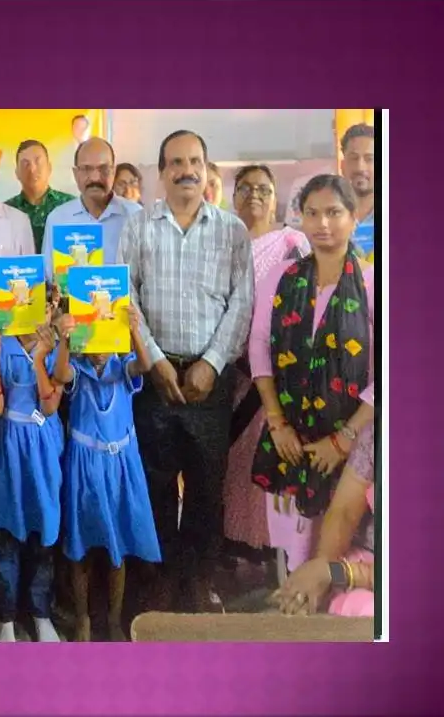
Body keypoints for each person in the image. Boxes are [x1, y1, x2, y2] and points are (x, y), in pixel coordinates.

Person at [118, 130, 254, 612]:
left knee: (205, 488)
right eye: (175, 162)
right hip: (154, 380)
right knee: (154, 485)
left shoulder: (231, 231)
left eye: (194, 161)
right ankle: (160, 581)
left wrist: (211, 364)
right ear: (161, 172)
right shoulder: (138, 228)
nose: (186, 170)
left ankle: (196, 582)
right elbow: (125, 297)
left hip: (209, 384)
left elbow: (242, 303)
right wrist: (154, 360)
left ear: (205, 167)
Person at [249, 174, 374, 573]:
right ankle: (292, 602)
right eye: (312, 213)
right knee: (291, 548)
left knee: (337, 549)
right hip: (289, 439)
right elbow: (259, 346)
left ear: (354, 218)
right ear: (300, 218)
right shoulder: (281, 277)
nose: (322, 223)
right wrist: (277, 423)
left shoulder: (375, 283)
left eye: (334, 213)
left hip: (354, 446)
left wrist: (344, 439)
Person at [51, 305, 161, 642]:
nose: (99, 351)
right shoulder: (78, 369)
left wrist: (134, 331)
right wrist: (66, 340)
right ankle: (83, 618)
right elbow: (60, 375)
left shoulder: (121, 366)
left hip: (120, 468)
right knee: (80, 548)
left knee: (118, 548)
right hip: (84, 468)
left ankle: (114, 618)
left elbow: (145, 365)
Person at [222, 165, 311, 557]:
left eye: (263, 188)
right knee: (236, 462)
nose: (254, 195)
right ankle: (237, 548)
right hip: (232, 375)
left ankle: (274, 554)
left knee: (272, 457)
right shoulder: (223, 245)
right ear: (233, 198)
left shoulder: (292, 243)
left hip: (277, 378)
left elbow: (306, 305)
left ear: (276, 199)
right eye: (245, 188)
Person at [0, 300, 64, 643]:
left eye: (42, 305)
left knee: (43, 537)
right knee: (6, 537)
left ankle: (41, 614)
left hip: (43, 448)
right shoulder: (2, 343)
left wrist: (44, 355)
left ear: (51, 309)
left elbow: (50, 405)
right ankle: (6, 619)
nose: (33, 313)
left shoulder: (56, 347)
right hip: (9, 447)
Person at [273, 422, 375, 618]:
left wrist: (334, 572)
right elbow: (344, 512)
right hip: (362, 563)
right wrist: (322, 570)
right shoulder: (378, 434)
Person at [41, 137, 142, 276]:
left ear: (113, 172)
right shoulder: (58, 219)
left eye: (104, 169)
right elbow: (48, 277)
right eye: (86, 169)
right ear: (75, 174)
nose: (95, 178)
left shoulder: (136, 216)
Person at [5, 140, 76, 253]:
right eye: (25, 164)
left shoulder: (71, 206)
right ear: (17, 173)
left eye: (38, 162)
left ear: (49, 167)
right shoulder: (6, 211)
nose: (32, 169)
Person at [339, 123, 375, 262]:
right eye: (354, 158)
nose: (360, 167)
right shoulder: (327, 217)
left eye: (369, 159)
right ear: (343, 166)